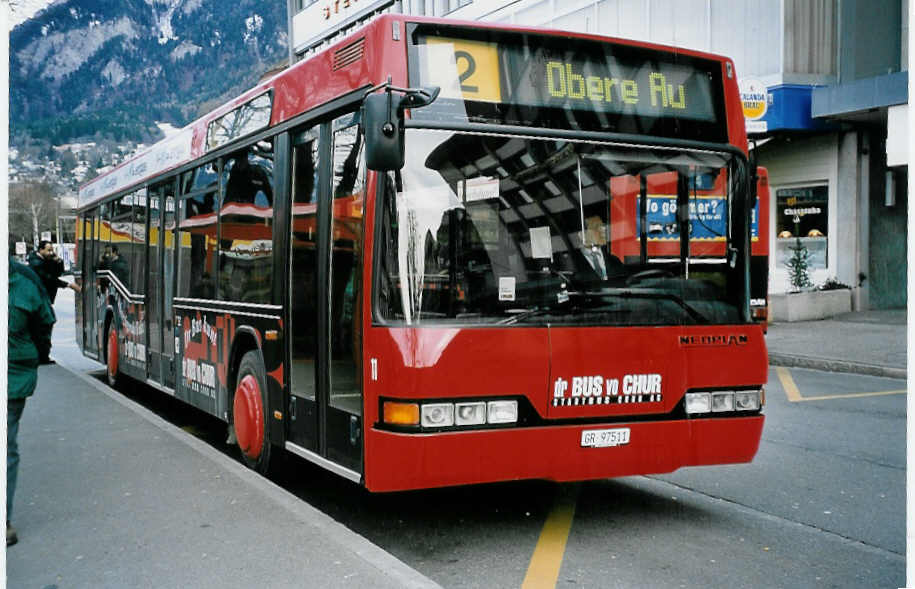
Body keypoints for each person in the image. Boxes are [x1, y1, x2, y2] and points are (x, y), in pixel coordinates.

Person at [7, 254, 56, 546]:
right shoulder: (24, 280)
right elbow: (44, 324)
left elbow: (43, 324)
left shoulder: (26, 279)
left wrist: (34, 355)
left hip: (12, 375)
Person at [27, 241, 79, 364]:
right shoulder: (36, 263)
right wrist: (68, 285)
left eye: (52, 250)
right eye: (48, 250)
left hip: (44, 299)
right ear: (41, 250)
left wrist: (59, 261)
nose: (51, 253)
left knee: (45, 325)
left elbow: (58, 273)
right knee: (45, 325)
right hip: (39, 300)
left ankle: (42, 355)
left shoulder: (45, 260)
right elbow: (49, 279)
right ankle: (42, 356)